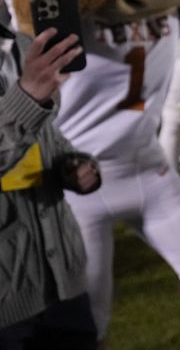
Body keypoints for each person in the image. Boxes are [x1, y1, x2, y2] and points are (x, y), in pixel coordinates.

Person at [0, 27, 98, 350]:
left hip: (61, 280)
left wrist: (72, 166)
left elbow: (45, 135)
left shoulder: (22, 45)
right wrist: (28, 96)